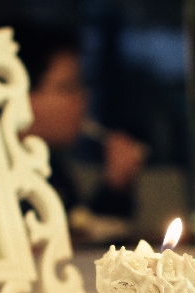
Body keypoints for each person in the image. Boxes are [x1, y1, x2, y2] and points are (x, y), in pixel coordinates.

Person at [14, 25, 144, 233]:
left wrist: (115, 185)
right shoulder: (1, 173)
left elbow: (82, 229)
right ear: (20, 94)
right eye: (68, 87)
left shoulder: (52, 167)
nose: (83, 99)